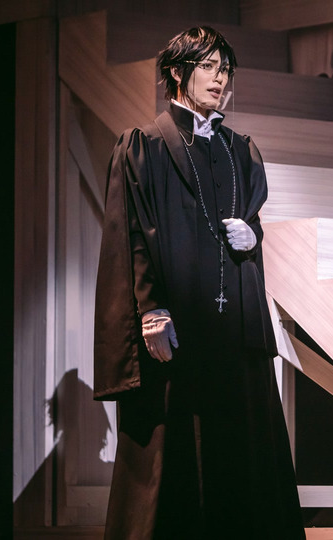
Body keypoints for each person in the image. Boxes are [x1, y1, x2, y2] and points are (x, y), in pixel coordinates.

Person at [93, 26, 305, 539]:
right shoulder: (144, 146)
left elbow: (249, 219)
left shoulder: (240, 149)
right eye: (208, 67)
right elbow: (132, 235)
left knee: (239, 446)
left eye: (225, 69)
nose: (220, 79)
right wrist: (151, 309)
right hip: (176, 324)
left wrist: (253, 236)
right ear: (176, 72)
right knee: (174, 450)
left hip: (232, 325)